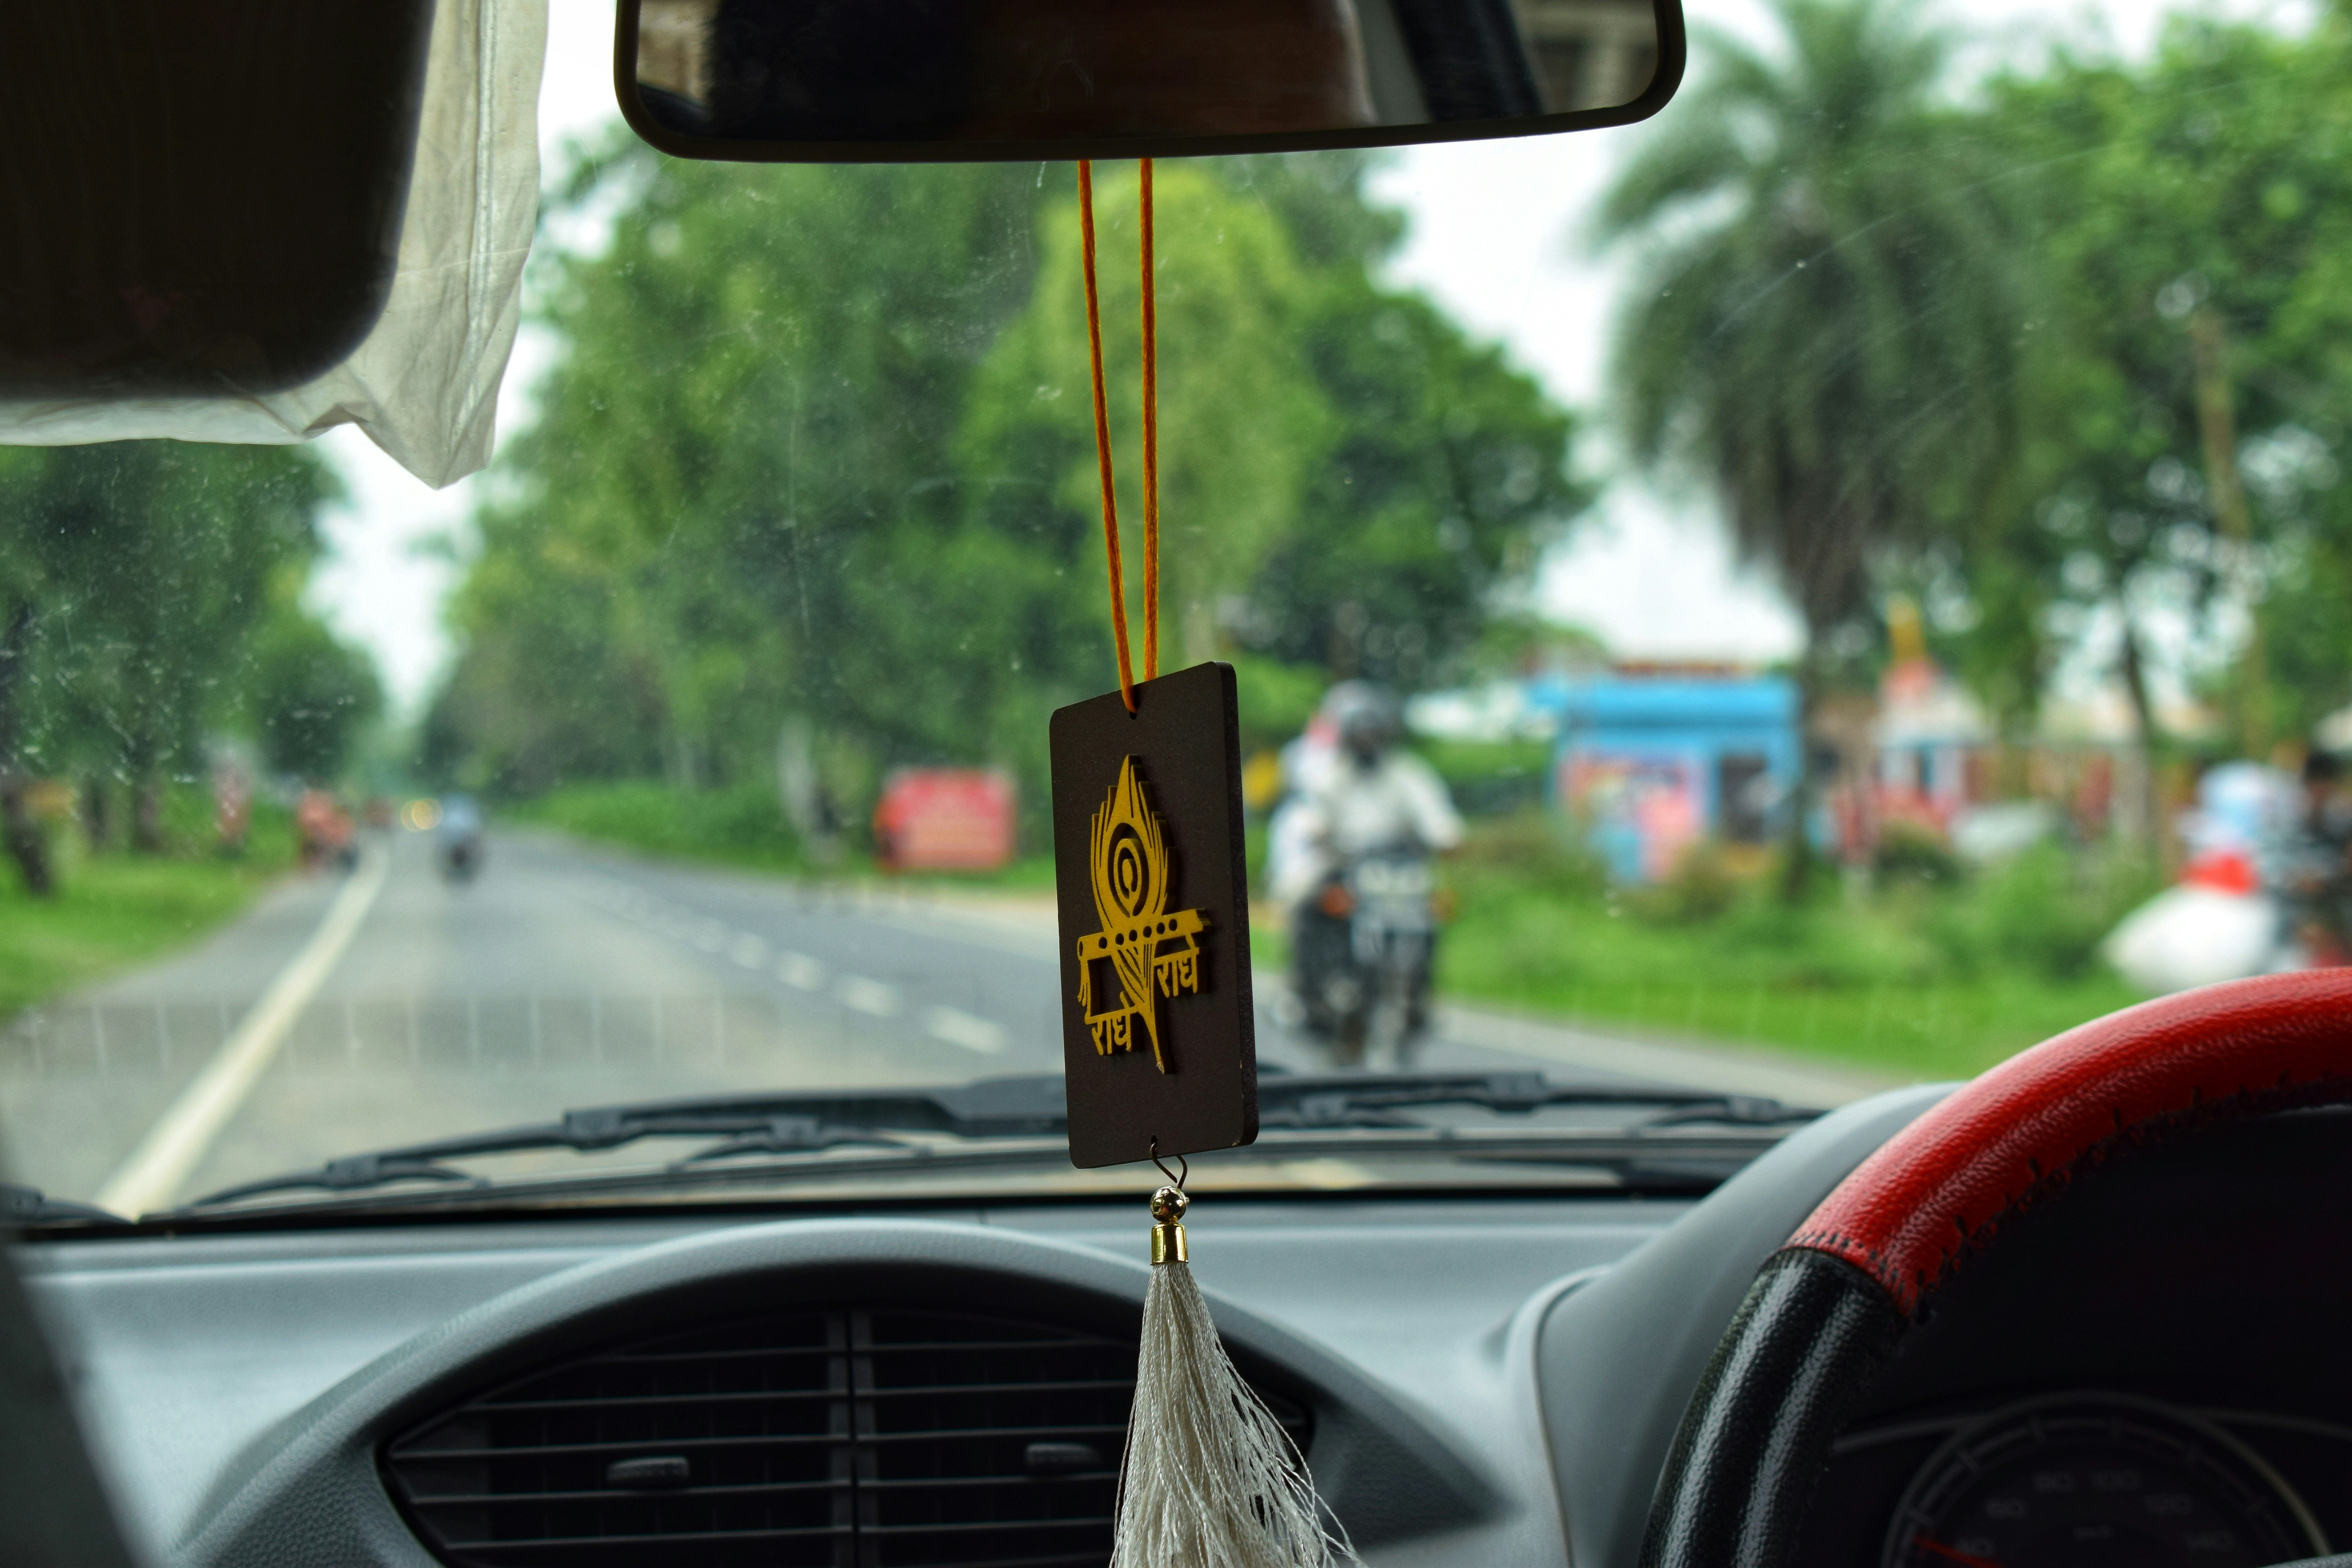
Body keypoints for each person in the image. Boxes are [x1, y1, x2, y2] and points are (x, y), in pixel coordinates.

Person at [1278, 684, 1463, 1060]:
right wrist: (1317, 833)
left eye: (1374, 732)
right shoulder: (1330, 776)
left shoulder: (1409, 775)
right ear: (1346, 736)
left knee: (1430, 917)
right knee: (1302, 904)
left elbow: (1438, 819)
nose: (1367, 740)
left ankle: (1420, 1000)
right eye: (1360, 733)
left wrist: (1446, 838)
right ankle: (1304, 993)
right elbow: (1309, 817)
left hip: (1400, 876)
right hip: (1344, 871)